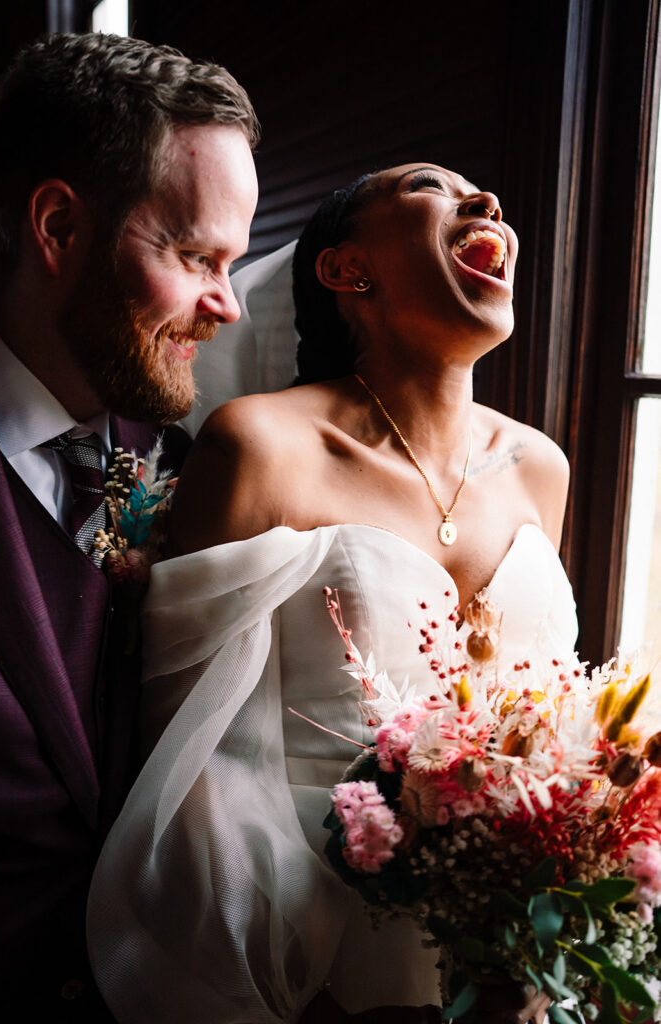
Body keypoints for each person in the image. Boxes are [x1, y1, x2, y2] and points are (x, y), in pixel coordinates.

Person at [88, 164, 576, 1023]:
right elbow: (191, 754)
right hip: (305, 944)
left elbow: (545, 720)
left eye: (482, 192)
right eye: (431, 185)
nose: (487, 201)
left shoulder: (541, 468)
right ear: (347, 270)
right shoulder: (259, 446)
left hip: (510, 948)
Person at [0, 31, 259, 1020]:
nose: (225, 305)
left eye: (233, 262)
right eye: (193, 256)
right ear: (57, 226)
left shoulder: (190, 472)